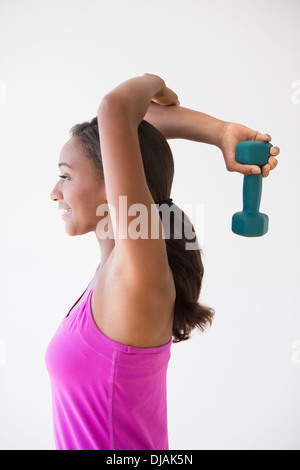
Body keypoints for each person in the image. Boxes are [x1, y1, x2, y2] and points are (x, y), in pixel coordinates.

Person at [46, 73, 280, 450]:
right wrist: (219, 132)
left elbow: (116, 111)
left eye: (65, 175)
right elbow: (131, 128)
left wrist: (155, 82)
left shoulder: (136, 273)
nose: (54, 192)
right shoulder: (111, 275)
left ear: (116, 181)